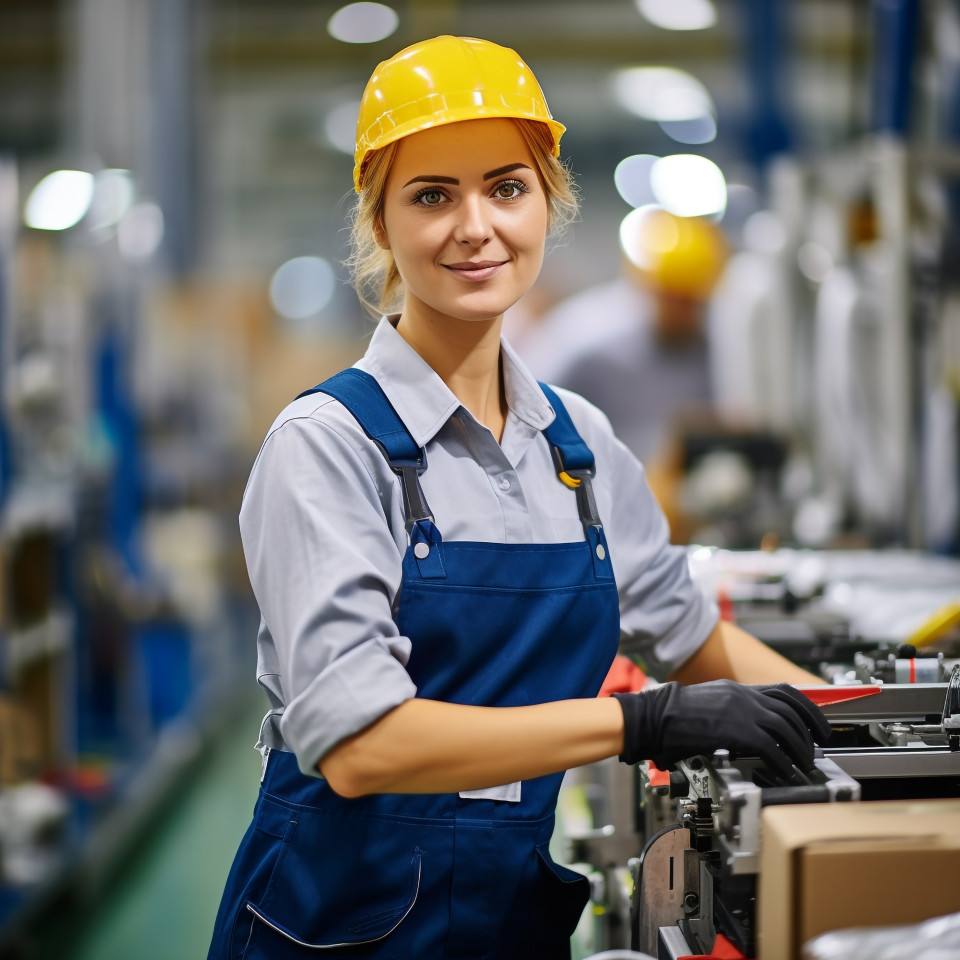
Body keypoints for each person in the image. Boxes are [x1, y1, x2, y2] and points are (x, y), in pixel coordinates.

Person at [207, 36, 828, 960]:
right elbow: (362, 743)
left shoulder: (579, 447)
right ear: (379, 224)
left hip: (503, 917)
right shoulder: (328, 450)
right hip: (332, 923)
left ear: (548, 202)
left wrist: (854, 729)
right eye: (430, 196)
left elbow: (688, 630)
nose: (475, 226)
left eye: (505, 187)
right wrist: (641, 721)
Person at [516, 206, 728, 466]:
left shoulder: (710, 345)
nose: (683, 311)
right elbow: (519, 406)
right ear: (648, 284)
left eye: (693, 300)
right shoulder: (583, 337)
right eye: (673, 297)